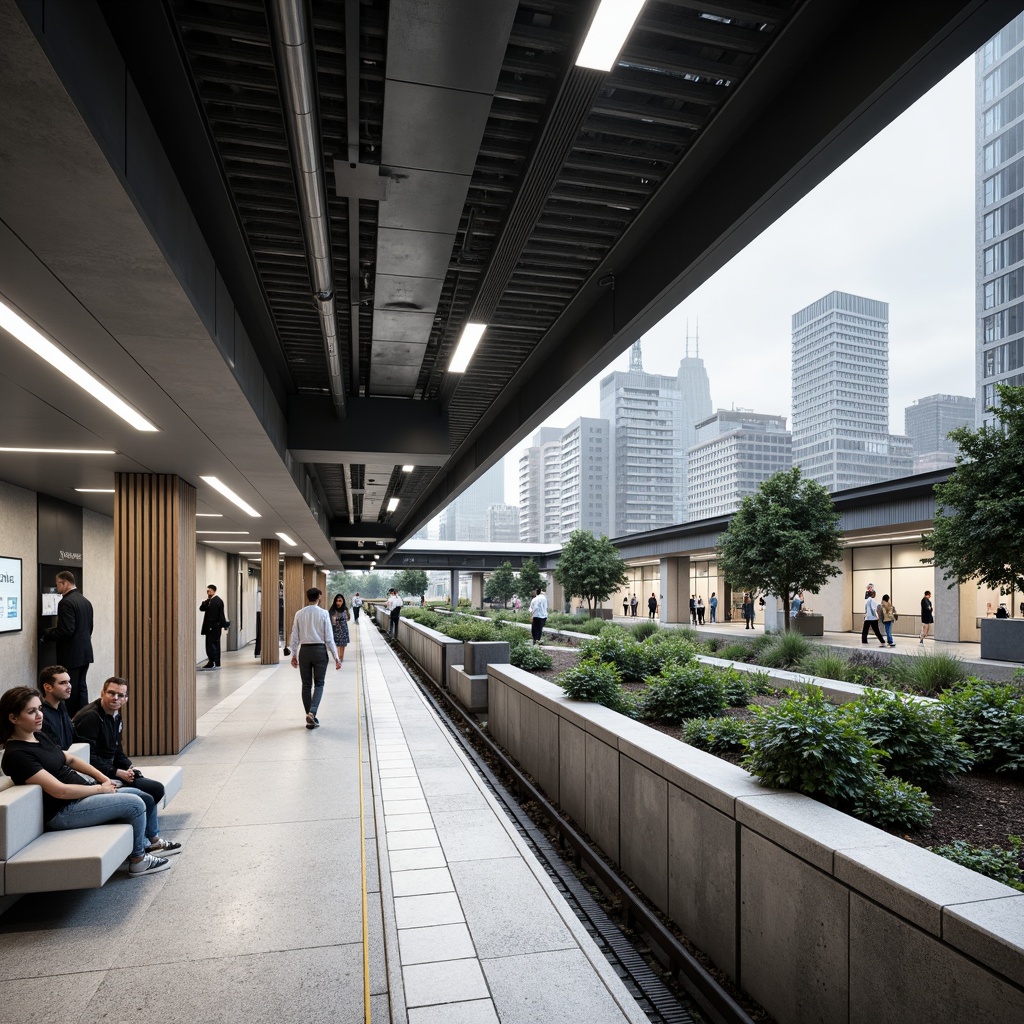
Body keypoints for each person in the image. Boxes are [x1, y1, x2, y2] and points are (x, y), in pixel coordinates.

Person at [2, 687, 176, 876]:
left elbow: (70, 759)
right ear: (13, 718)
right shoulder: (17, 755)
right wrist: (100, 789)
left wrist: (104, 779)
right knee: (134, 804)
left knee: (144, 796)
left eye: (39, 709)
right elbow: (59, 791)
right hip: (64, 811)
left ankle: (153, 843)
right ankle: (138, 860)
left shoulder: (38, 736)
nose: (39, 715)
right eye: (31, 711)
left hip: (81, 797)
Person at [73, 677, 168, 809]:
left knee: (154, 788)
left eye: (120, 695)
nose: (115, 698)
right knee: (153, 791)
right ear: (102, 693)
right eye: (111, 693)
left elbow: (117, 750)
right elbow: (87, 758)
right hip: (95, 774)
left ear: (125, 699)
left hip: (110, 769)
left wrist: (129, 768)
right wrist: (116, 772)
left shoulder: (115, 715)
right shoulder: (90, 717)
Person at [43, 570, 94, 716]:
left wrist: (49, 634)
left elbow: (66, 631)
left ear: (64, 582)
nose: (57, 588)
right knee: (81, 689)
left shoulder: (66, 602)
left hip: (71, 654)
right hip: (85, 653)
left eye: (58, 584)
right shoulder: (85, 601)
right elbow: (88, 627)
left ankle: (71, 722)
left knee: (69, 690)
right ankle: (83, 717)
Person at [289, 587, 341, 729]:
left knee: (306, 685)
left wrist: (294, 654)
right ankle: (312, 713)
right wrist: (336, 657)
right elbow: (329, 638)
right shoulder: (324, 614)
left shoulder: (299, 614)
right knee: (319, 684)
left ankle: (310, 716)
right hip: (319, 651)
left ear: (307, 597)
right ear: (319, 597)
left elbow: (294, 636)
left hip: (304, 651)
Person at [39, 665, 74, 749]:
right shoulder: (41, 714)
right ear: (48, 687)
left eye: (68, 682)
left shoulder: (62, 707)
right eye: (63, 683)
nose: (69, 686)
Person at [199, 584, 228, 669]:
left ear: (214, 591)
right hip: (213, 627)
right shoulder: (210, 601)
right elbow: (201, 609)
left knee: (211, 645)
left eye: (209, 591)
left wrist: (223, 624)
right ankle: (216, 662)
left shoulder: (217, 601)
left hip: (213, 627)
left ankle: (212, 661)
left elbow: (221, 615)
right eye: (207, 591)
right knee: (214, 644)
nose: (208, 592)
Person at [328, 593, 350, 663]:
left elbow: (348, 618)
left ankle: (341, 657)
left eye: (340, 601)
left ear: (343, 601)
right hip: (335, 629)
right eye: (337, 601)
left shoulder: (345, 610)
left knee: (342, 644)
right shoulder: (332, 611)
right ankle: (337, 657)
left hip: (343, 629)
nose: (338, 602)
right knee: (336, 644)